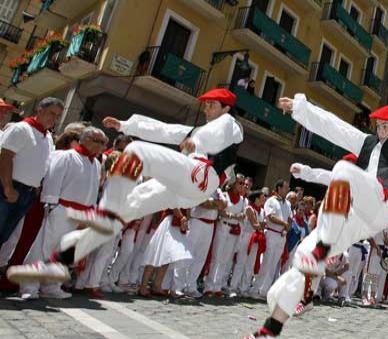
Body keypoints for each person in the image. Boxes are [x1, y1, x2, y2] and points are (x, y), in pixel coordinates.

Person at [226, 86, 388, 339]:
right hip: (357, 216)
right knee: (301, 258)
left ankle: (320, 252)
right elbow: (333, 127)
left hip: (385, 204)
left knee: (343, 169)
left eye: (387, 126)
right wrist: (300, 109)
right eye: (378, 125)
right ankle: (271, 330)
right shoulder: (367, 142)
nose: (381, 130)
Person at [7, 89, 243, 286]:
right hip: (187, 191)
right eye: (206, 105)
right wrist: (126, 125)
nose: (207, 109)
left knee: (136, 151)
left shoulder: (230, 125)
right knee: (130, 207)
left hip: (200, 176)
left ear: (226, 108)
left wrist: (196, 143)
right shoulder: (199, 130)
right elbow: (165, 130)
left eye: (212, 105)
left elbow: (220, 133)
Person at [19, 127, 106, 300]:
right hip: (62, 209)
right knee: (44, 249)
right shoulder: (66, 156)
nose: (100, 146)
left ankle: (51, 286)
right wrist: (52, 205)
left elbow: (93, 189)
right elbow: (53, 180)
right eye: (97, 141)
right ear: (84, 139)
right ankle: (29, 286)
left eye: (103, 143)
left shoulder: (95, 163)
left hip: (81, 214)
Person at [0, 98, 61, 247]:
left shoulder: (48, 138)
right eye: (51, 113)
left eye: (58, 116)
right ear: (40, 110)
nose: (54, 118)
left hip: (27, 193)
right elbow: (5, 157)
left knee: (4, 235)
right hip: (9, 187)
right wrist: (8, 187)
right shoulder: (21, 128)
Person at [205, 175, 248, 296]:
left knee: (226, 259)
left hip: (234, 229)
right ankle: (209, 286)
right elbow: (221, 211)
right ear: (233, 183)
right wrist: (234, 216)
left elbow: (243, 214)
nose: (241, 185)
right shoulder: (224, 195)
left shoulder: (242, 199)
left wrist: (238, 217)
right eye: (239, 183)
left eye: (243, 183)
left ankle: (217, 286)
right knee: (216, 256)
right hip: (223, 226)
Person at [250, 180, 291, 298]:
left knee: (273, 264)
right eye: (285, 187)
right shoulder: (271, 201)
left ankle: (264, 290)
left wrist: (286, 228)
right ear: (279, 188)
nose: (287, 190)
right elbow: (270, 216)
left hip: (281, 236)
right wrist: (284, 223)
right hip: (272, 233)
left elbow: (289, 219)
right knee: (266, 262)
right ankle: (256, 288)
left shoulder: (287, 204)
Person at [230, 189, 265, 297]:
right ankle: (233, 287)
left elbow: (260, 225)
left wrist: (261, 225)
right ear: (256, 198)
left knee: (250, 264)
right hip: (247, 237)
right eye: (262, 197)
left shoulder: (262, 211)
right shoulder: (249, 209)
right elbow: (255, 225)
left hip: (256, 238)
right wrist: (262, 225)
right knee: (241, 262)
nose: (264, 199)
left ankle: (244, 288)